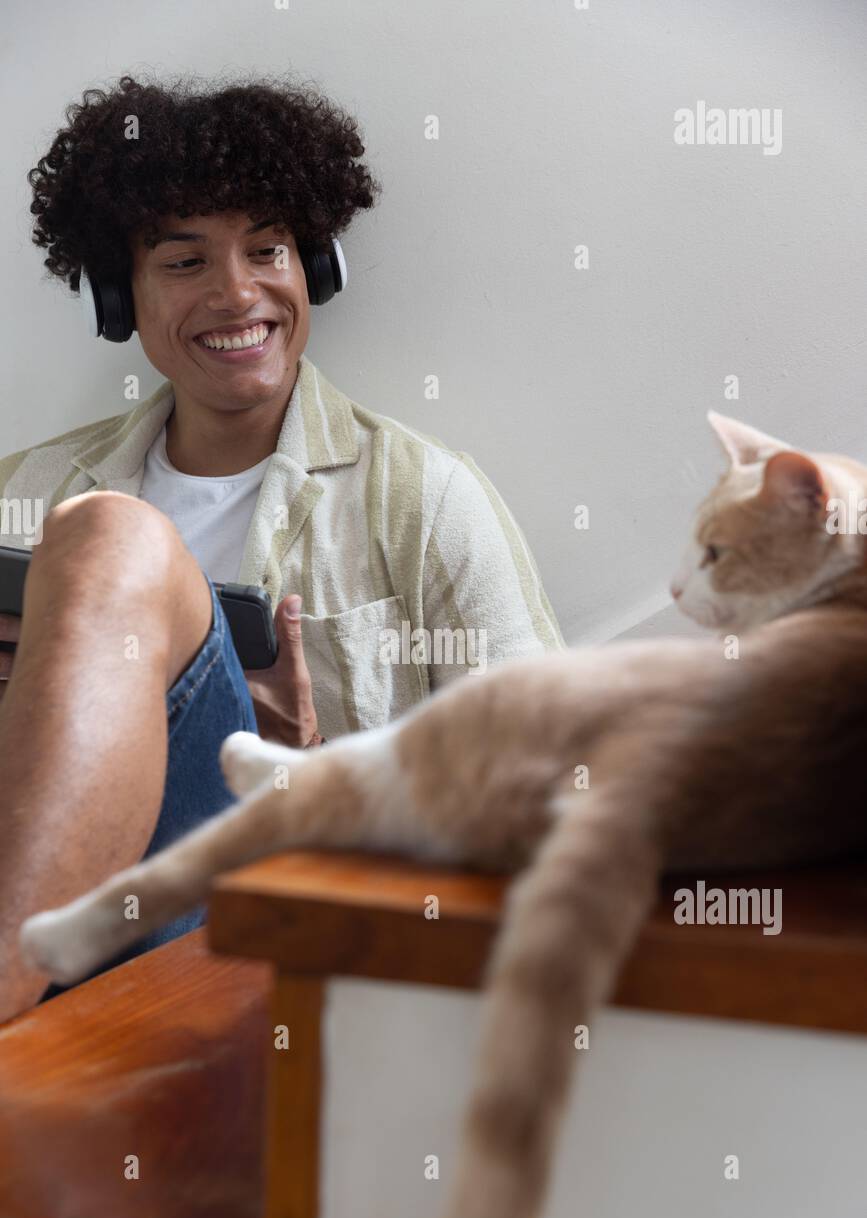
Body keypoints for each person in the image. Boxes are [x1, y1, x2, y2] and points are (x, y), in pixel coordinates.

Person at [0, 75, 564, 1022]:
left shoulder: (421, 499)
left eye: (267, 250)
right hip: (66, 913)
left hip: (274, 933)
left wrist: (315, 783)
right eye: (184, 262)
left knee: (108, 540)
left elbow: (548, 803)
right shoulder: (21, 494)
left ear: (314, 272)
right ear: (117, 299)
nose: (237, 292)